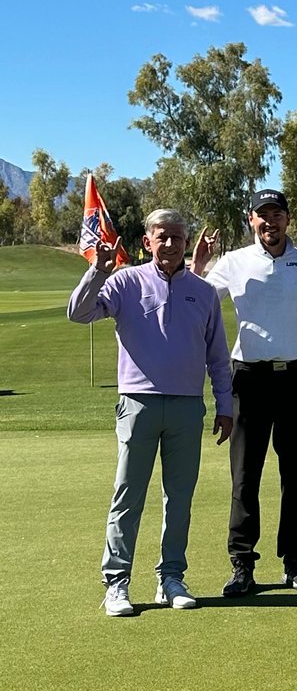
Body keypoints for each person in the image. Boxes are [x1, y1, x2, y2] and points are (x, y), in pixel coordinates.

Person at [67, 210, 233, 616]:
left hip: (187, 406)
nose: (171, 244)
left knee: (179, 498)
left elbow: (218, 357)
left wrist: (225, 406)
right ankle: (117, 583)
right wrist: (98, 272)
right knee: (128, 495)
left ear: (185, 241)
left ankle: (171, 577)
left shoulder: (204, 291)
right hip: (137, 404)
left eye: (177, 237)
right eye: (163, 237)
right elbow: (79, 312)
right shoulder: (124, 281)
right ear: (148, 241)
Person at [191, 188, 297, 596]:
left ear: (288, 218)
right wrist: (198, 267)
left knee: (296, 477)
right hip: (248, 380)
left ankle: (294, 561)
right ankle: (242, 565)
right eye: (262, 215)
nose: (270, 222)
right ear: (251, 220)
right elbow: (198, 301)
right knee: (245, 477)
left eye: (277, 214)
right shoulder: (233, 262)